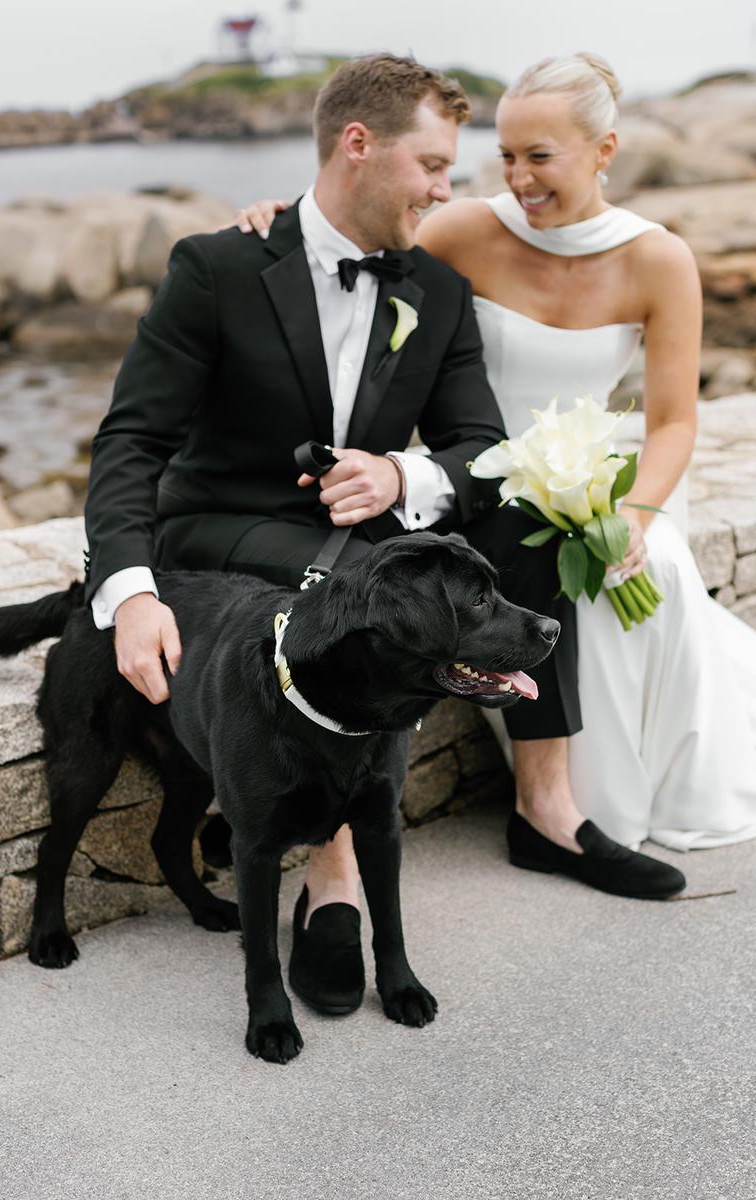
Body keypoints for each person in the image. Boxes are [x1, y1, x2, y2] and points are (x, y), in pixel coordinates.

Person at [85, 54, 683, 1019]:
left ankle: (546, 808)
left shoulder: (435, 290)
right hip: (227, 534)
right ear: (357, 145)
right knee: (353, 588)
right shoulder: (218, 266)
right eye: (435, 166)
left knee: (529, 526)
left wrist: (402, 474)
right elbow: (131, 442)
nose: (450, 189)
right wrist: (129, 592)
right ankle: (335, 877)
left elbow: (480, 445)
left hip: (359, 534)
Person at [241, 50, 756, 853]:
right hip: (473, 487)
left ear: (605, 151)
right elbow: (353, 250)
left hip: (594, 484)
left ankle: (606, 794)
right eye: (506, 155)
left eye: (539, 156)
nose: (518, 179)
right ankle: (562, 809)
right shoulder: (465, 230)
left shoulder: (658, 259)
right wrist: (284, 221)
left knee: (646, 568)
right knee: (522, 558)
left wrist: (635, 514)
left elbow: (673, 424)